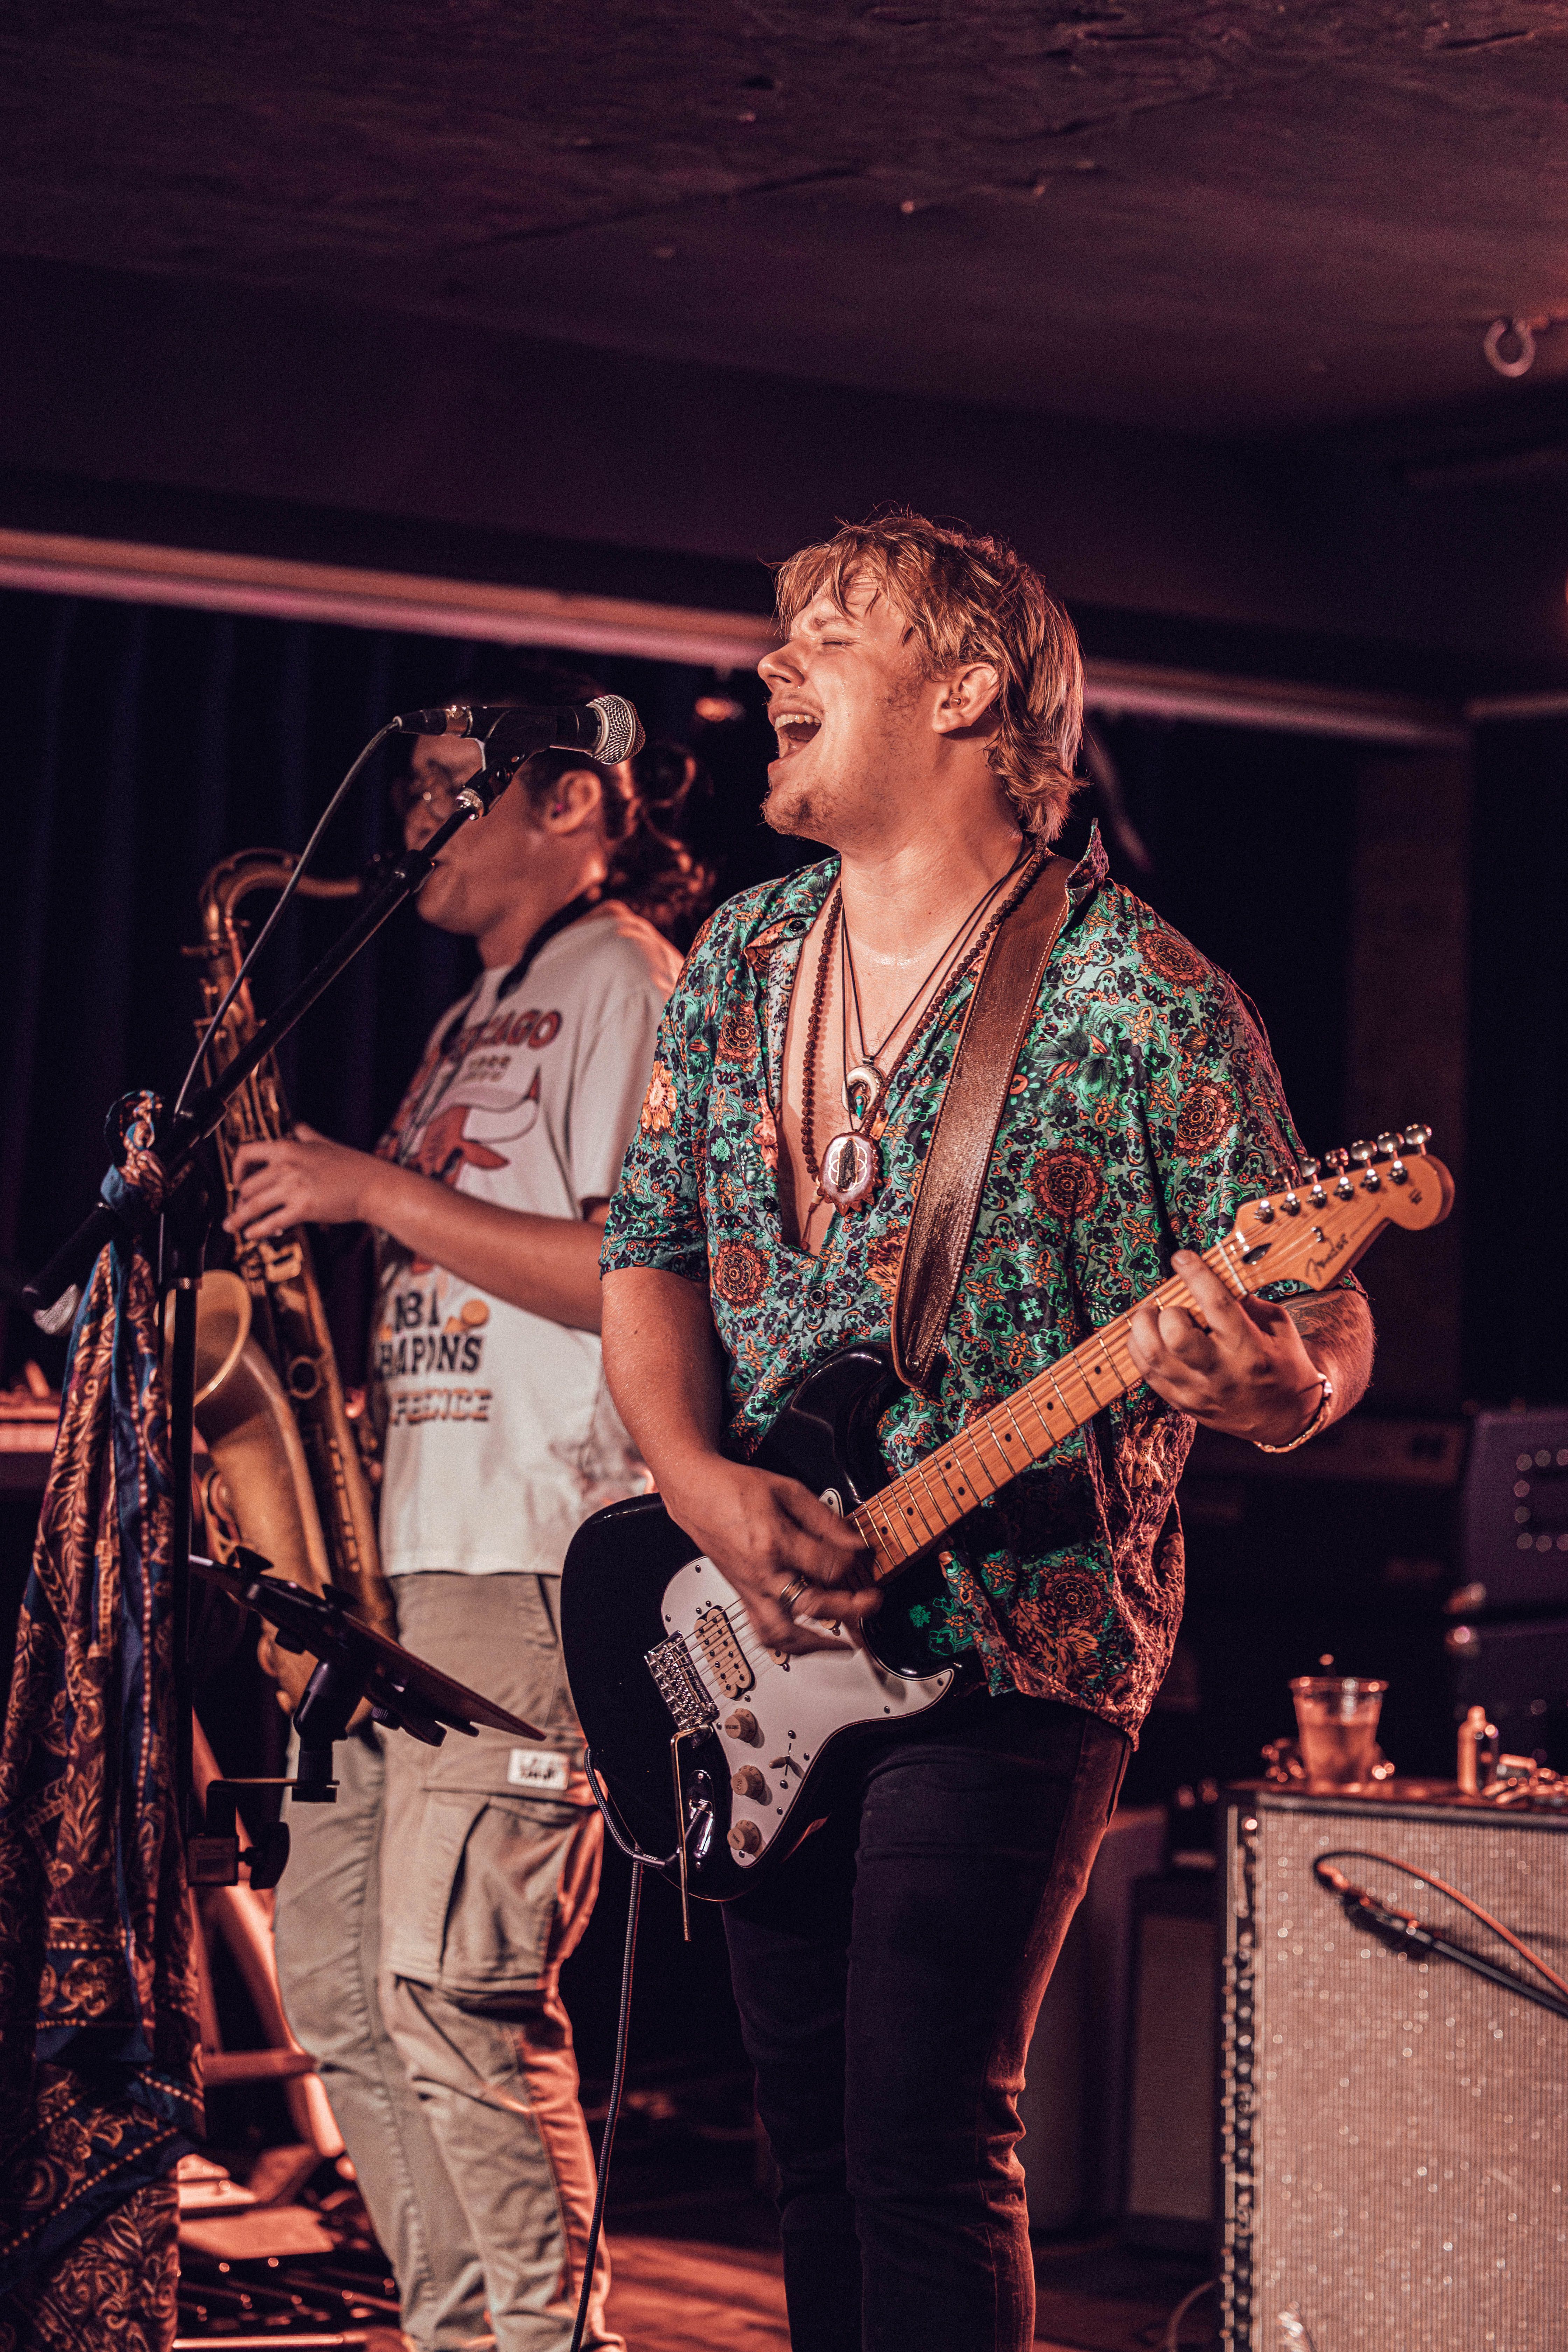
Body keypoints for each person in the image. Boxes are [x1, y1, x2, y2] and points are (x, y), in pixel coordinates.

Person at [597, 515, 1374, 2352]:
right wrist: (704, 1494)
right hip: (770, 1641)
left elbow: (1325, 1318)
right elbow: (646, 1265)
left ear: (966, 690)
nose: (774, 666)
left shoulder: (1141, 994)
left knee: (929, 2136)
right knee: (809, 2146)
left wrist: (1267, 1384)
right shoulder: (738, 956)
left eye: (828, 634)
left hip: (1026, 1645)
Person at [225, 663, 711, 2352]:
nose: (406, 821)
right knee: (351, 2004)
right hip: (397, 1570)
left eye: (441, 782)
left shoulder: (626, 983)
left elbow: (628, 1278)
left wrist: (371, 1187)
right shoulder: (463, 1015)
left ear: (566, 802)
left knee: (460, 1996)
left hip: (535, 1556)